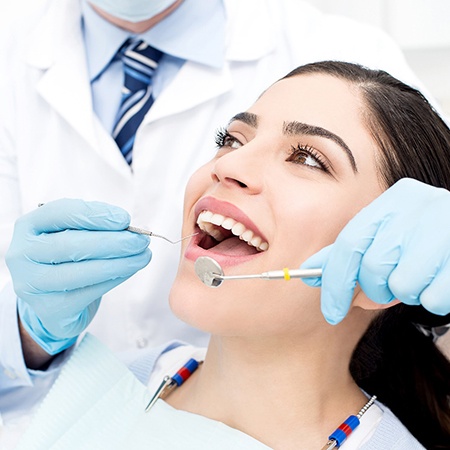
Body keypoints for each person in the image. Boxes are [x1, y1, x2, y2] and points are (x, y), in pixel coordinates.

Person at [1, 0, 450, 400]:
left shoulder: (344, 46)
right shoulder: (13, 42)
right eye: (230, 139)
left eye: (308, 158)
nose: (226, 165)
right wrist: (28, 330)